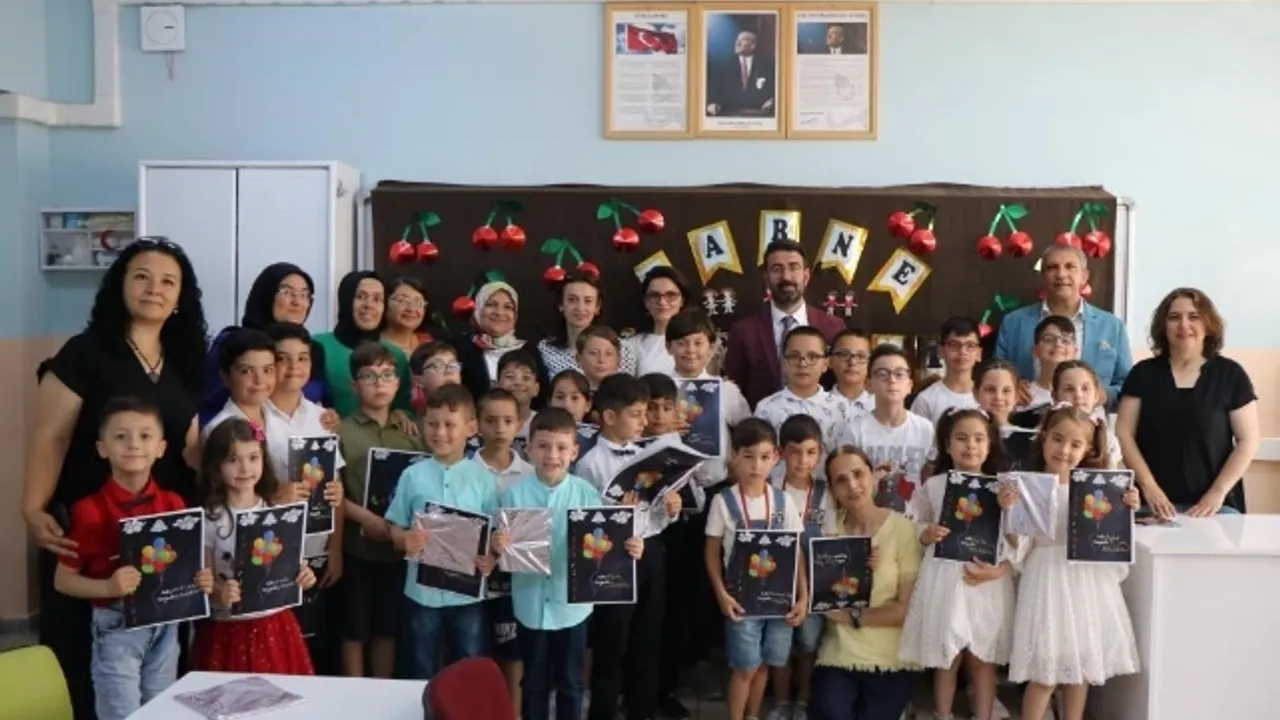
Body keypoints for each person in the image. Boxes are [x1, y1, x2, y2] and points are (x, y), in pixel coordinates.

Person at [22, 238, 208, 719]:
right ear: (119, 285)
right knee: (84, 659)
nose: (154, 288)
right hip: (91, 523)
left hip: (162, 528)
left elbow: (192, 447)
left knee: (159, 658)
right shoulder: (85, 352)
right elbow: (50, 437)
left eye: (168, 281)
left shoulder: (186, 360)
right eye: (141, 276)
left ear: (181, 297)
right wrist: (33, 508)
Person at [54, 397, 214, 720]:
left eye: (145, 436)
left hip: (166, 626)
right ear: (102, 448)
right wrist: (107, 587)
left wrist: (201, 579)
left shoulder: (173, 504)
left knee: (161, 710)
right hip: (117, 627)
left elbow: (187, 566)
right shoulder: (89, 512)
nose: (134, 445)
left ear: (161, 447)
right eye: (120, 436)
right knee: (121, 713)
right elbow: (63, 580)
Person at [493, 409, 644, 720]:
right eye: (543, 446)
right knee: (533, 683)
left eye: (561, 447)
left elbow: (610, 543)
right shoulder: (514, 495)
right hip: (530, 606)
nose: (552, 455)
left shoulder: (587, 495)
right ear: (528, 449)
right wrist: (498, 544)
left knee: (571, 682)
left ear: (574, 452)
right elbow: (500, 547)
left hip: (572, 608)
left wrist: (631, 545)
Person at [1009, 405, 1140, 720]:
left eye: (1075, 444)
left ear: (1088, 450)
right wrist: (1010, 511)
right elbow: (1018, 546)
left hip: (1085, 582)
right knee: (1045, 671)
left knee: (1080, 667)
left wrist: (1126, 508)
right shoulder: (1028, 488)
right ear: (1044, 438)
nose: (1064, 450)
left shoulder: (1102, 490)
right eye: (1057, 439)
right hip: (1047, 581)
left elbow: (1112, 539)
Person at [899, 408, 1016, 720]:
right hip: (946, 578)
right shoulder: (935, 485)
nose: (970, 445)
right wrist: (927, 533)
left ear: (990, 444)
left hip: (985, 580)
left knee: (982, 657)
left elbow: (1016, 538)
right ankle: (943, 713)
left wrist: (1008, 511)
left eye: (979, 438)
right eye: (961, 438)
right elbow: (916, 522)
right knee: (947, 656)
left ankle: (983, 714)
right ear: (947, 445)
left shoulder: (1003, 488)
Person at [576, 375, 680, 720]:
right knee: (612, 639)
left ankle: (642, 709)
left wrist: (670, 508)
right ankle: (604, 711)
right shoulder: (590, 463)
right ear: (609, 416)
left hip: (648, 551)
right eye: (636, 414)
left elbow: (656, 516)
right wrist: (618, 516)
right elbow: (585, 521)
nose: (644, 421)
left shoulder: (645, 455)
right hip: (612, 560)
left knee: (648, 636)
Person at [386, 384, 498, 680]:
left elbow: (494, 534)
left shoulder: (484, 480)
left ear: (471, 428)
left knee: (469, 666)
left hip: (467, 595)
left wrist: (491, 558)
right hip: (422, 593)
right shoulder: (412, 475)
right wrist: (404, 539)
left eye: (450, 425)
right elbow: (394, 524)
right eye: (432, 424)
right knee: (420, 664)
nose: (440, 432)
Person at [1115, 288, 1259, 517]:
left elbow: (1248, 440)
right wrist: (1149, 487)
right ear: (1163, 326)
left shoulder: (1231, 375)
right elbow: (1124, 433)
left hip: (1216, 508)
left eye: (1194, 316)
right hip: (1150, 505)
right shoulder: (1142, 374)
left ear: (1208, 324)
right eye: (1174, 317)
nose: (1184, 325)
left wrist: (1217, 492)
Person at [194, 418, 319, 674]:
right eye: (233, 459)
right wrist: (220, 593)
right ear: (216, 466)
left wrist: (305, 576)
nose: (245, 468)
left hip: (278, 625)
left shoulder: (278, 512)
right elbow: (205, 582)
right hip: (229, 629)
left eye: (253, 458)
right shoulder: (210, 519)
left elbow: (294, 566)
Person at [704, 419, 808, 720]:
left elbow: (796, 552)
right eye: (748, 456)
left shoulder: (783, 501)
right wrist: (721, 594)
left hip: (779, 601)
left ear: (776, 457)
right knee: (745, 667)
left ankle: (752, 715)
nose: (756, 465)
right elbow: (711, 553)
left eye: (764, 457)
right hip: (740, 600)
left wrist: (803, 597)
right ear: (734, 456)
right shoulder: (723, 502)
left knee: (764, 664)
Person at [809, 446, 922, 720]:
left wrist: (852, 617)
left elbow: (905, 610)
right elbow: (816, 594)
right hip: (838, 653)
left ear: (873, 475)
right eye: (841, 480)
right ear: (833, 490)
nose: (852, 485)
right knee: (830, 712)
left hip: (889, 658)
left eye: (858, 474)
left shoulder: (903, 530)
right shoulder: (827, 532)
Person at [336, 342, 426, 679]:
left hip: (397, 550)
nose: (379, 383)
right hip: (357, 548)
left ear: (398, 383)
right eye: (369, 376)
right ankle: (354, 696)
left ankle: (382, 691)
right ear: (354, 384)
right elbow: (332, 492)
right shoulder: (341, 431)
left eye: (387, 375)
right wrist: (366, 518)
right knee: (354, 629)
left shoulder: (411, 431)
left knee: (388, 630)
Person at [994, 245, 1132, 407]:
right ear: (1043, 275)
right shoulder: (1014, 323)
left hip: (1088, 419)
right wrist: (1011, 387)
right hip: (1027, 416)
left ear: (1084, 276)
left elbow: (1128, 386)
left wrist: (1104, 394)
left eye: (1070, 267)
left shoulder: (1112, 326)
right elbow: (995, 375)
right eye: (1052, 267)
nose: (1061, 274)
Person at [200, 262, 332, 427]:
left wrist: (329, 417)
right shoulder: (235, 342)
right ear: (266, 294)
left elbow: (325, 403)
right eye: (287, 292)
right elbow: (208, 404)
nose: (297, 302)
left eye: (304, 294)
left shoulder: (313, 350)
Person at [766, 415, 836, 720]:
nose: (803, 460)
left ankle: (804, 701)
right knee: (780, 646)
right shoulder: (769, 489)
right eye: (795, 452)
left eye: (810, 452)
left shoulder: (826, 493)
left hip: (816, 582)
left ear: (820, 453)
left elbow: (832, 540)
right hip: (777, 581)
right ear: (781, 453)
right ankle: (781, 703)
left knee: (809, 644)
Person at [725, 241, 845, 408]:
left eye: (794, 267)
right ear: (766, 277)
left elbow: (843, 384)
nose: (786, 277)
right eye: (777, 269)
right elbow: (733, 393)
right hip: (762, 421)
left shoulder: (833, 328)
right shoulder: (743, 331)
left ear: (806, 276)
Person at [473, 389, 534, 713]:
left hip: (515, 582)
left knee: (513, 653)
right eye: (491, 420)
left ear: (519, 424)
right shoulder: (464, 470)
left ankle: (514, 713)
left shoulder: (530, 474)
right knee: (476, 655)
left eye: (508, 421)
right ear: (476, 424)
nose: (500, 428)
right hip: (471, 580)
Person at [836, 344, 935, 516]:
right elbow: (844, 482)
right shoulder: (854, 431)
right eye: (882, 374)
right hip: (869, 520)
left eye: (899, 374)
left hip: (914, 522)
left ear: (910, 384)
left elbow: (932, 479)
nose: (892, 380)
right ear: (869, 384)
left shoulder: (925, 429)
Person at [314, 271, 413, 417]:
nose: (369, 305)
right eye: (361, 297)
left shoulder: (396, 355)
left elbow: (405, 410)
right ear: (346, 300)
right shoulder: (317, 346)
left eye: (377, 299)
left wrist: (401, 413)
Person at [755, 326, 843, 459]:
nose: (802, 364)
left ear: (825, 364)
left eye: (812, 356)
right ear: (783, 363)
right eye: (794, 356)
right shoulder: (767, 408)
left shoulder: (841, 408)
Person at [538, 270, 638, 378]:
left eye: (588, 301)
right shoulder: (546, 350)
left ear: (597, 307)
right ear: (561, 304)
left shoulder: (623, 350)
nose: (580, 308)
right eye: (572, 300)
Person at [457, 275, 541, 399]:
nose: (499, 312)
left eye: (508, 307)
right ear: (478, 310)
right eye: (491, 305)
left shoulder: (529, 351)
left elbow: (541, 397)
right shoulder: (459, 349)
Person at [910, 317, 982, 424]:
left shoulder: (987, 397)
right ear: (940, 351)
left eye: (970, 345)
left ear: (979, 353)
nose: (962, 351)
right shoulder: (926, 400)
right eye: (954, 345)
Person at [1053, 360, 1122, 468]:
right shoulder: (1044, 432)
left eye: (1085, 388)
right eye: (1069, 389)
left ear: (1096, 396)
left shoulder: (1108, 440)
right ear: (1055, 396)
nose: (1078, 395)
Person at [972, 359, 1036, 471]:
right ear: (976, 393)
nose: (998, 397)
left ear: (1016, 396)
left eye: (1006, 390)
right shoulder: (968, 435)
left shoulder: (1030, 439)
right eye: (990, 389)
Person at [634, 266, 693, 376]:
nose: (662, 302)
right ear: (646, 302)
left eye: (671, 295)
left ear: (682, 301)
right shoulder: (632, 345)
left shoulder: (699, 343)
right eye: (654, 295)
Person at [705, 29, 776, 118]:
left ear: (753, 45)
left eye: (743, 39)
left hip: (759, 113)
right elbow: (716, 88)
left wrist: (772, 100)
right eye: (737, 40)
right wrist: (713, 103)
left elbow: (774, 88)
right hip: (729, 113)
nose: (737, 43)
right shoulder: (724, 64)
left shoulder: (766, 65)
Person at [1015, 316, 1077, 412]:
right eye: (1048, 339)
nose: (1058, 344)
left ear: (1075, 352)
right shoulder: (1023, 396)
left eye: (1065, 340)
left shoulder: (1083, 395)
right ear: (1035, 350)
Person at [495, 349, 542, 444]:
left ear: (536, 388)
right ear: (497, 385)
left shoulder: (544, 422)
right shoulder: (488, 420)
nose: (518, 382)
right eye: (510, 376)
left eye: (526, 377)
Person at [828, 328, 875, 422]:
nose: (852, 362)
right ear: (830, 361)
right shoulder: (816, 406)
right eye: (844, 355)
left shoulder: (882, 408)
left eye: (861, 356)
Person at [410, 340, 462, 419]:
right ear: (418, 381)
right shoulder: (410, 420)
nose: (449, 371)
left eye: (453, 365)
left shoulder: (471, 413)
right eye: (438, 366)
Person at [383, 276, 433, 357]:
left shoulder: (427, 343)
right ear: (384, 304)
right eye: (402, 300)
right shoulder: (374, 346)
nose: (411, 309)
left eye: (418, 302)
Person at [578, 324, 625, 392]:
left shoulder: (628, 395)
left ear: (618, 359)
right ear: (579, 358)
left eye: (608, 354)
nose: (601, 360)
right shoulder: (571, 393)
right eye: (593, 353)